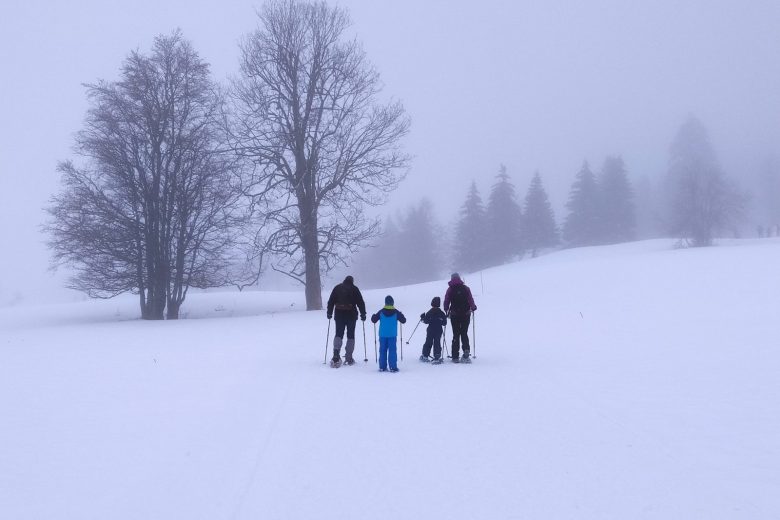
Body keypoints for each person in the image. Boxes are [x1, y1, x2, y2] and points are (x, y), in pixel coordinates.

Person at [326, 275, 366, 367]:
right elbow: (360, 302)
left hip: (339, 314)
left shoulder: (337, 288)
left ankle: (336, 355)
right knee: (350, 335)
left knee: (338, 334)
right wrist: (363, 314)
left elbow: (331, 301)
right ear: (352, 281)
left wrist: (329, 313)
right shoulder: (355, 289)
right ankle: (349, 357)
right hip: (351, 315)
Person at [443, 273, 477, 363]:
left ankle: (455, 356)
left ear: (452, 279)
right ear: (459, 278)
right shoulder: (466, 288)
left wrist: (446, 309)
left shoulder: (450, 289)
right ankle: (466, 352)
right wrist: (473, 307)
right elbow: (470, 299)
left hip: (454, 315)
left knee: (456, 334)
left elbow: (446, 300)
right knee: (464, 333)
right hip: (466, 314)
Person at [371, 295, 406, 372]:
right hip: (392, 335)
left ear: (385, 303)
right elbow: (403, 320)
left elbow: (373, 320)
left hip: (382, 335)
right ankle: (393, 367)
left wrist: (373, 316)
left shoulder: (381, 311)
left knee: (382, 350)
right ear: (392, 303)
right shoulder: (396, 312)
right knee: (392, 350)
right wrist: (401, 315)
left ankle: (382, 367)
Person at [419, 296, 447, 364]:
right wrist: (443, 319)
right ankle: (437, 356)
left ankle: (425, 355)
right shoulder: (441, 313)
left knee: (428, 342)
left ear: (432, 303)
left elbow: (426, 321)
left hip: (431, 330)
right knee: (437, 342)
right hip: (439, 330)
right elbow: (444, 323)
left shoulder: (430, 312)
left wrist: (423, 317)